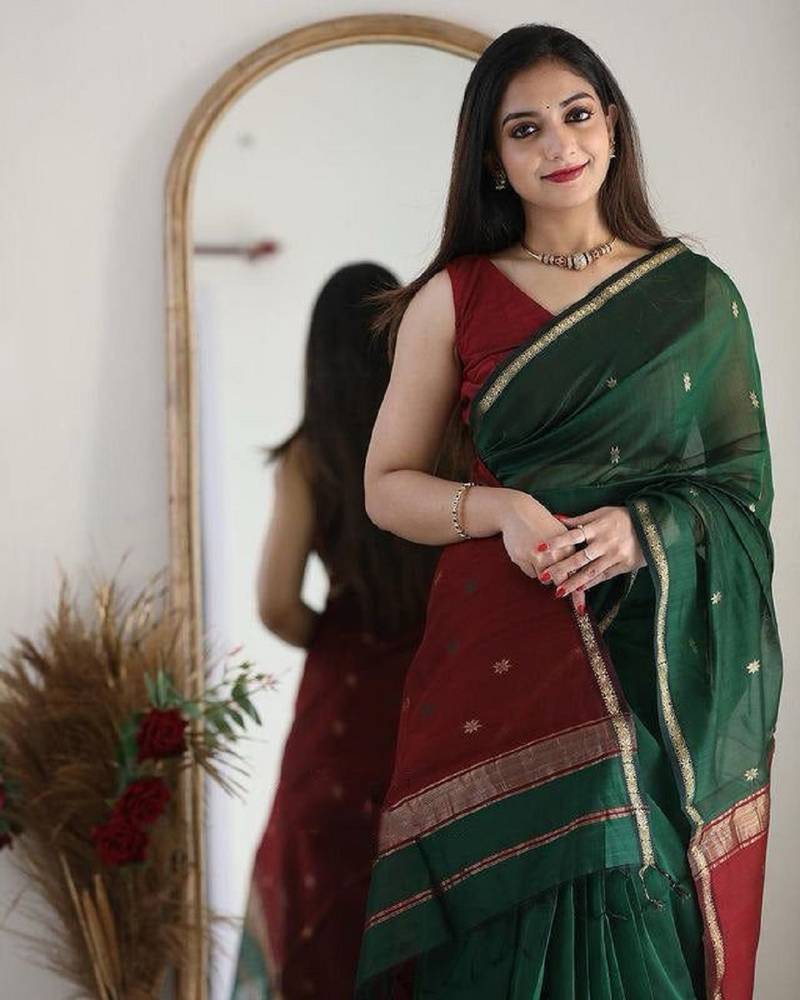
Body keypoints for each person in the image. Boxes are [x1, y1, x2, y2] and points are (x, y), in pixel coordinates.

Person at [354, 24, 783, 1000]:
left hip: (649, 655)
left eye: (576, 114)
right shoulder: (454, 299)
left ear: (613, 126)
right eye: (524, 129)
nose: (558, 144)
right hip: (499, 650)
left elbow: (737, 490)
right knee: (498, 924)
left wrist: (646, 529)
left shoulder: (693, 297)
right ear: (492, 160)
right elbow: (386, 485)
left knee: (637, 893)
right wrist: (500, 508)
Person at [230, 263, 452, 1000]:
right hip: (429, 684)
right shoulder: (446, 438)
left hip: (341, 705)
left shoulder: (310, 455)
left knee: (319, 901)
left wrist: (338, 639)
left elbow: (276, 604)